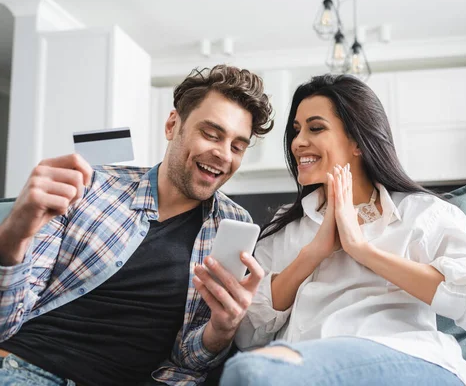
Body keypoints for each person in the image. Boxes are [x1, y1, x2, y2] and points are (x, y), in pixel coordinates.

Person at [221, 74, 466, 386]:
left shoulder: (419, 213)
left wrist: (361, 249)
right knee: (252, 370)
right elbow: (247, 333)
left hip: (410, 361)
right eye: (296, 130)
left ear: (357, 141)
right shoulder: (286, 228)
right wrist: (313, 253)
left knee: (251, 374)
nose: (297, 142)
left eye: (315, 128)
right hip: (313, 369)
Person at [0, 65, 272, 386]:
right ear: (173, 124)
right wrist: (14, 236)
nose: (223, 154)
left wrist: (222, 329)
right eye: (211, 134)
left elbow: (188, 362)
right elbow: (7, 320)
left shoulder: (233, 225)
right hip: (27, 368)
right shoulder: (92, 186)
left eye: (237, 146)